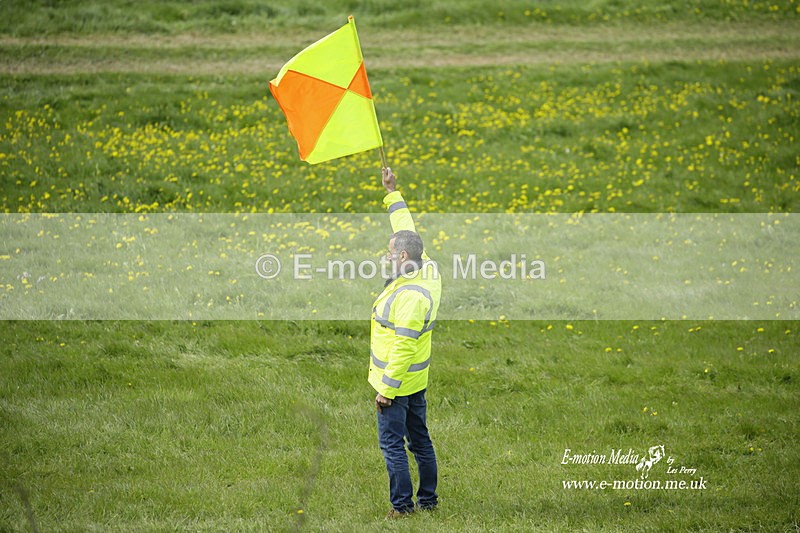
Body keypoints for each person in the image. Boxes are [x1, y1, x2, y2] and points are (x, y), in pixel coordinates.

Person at [369, 166, 442, 519]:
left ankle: (402, 508)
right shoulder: (424, 265)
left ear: (401, 258)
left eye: (389, 252)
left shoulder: (411, 296)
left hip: (398, 384)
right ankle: (428, 501)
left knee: (393, 446)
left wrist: (386, 389)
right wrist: (392, 192)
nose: (386, 255)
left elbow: (403, 345)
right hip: (417, 380)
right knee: (421, 441)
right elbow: (405, 229)